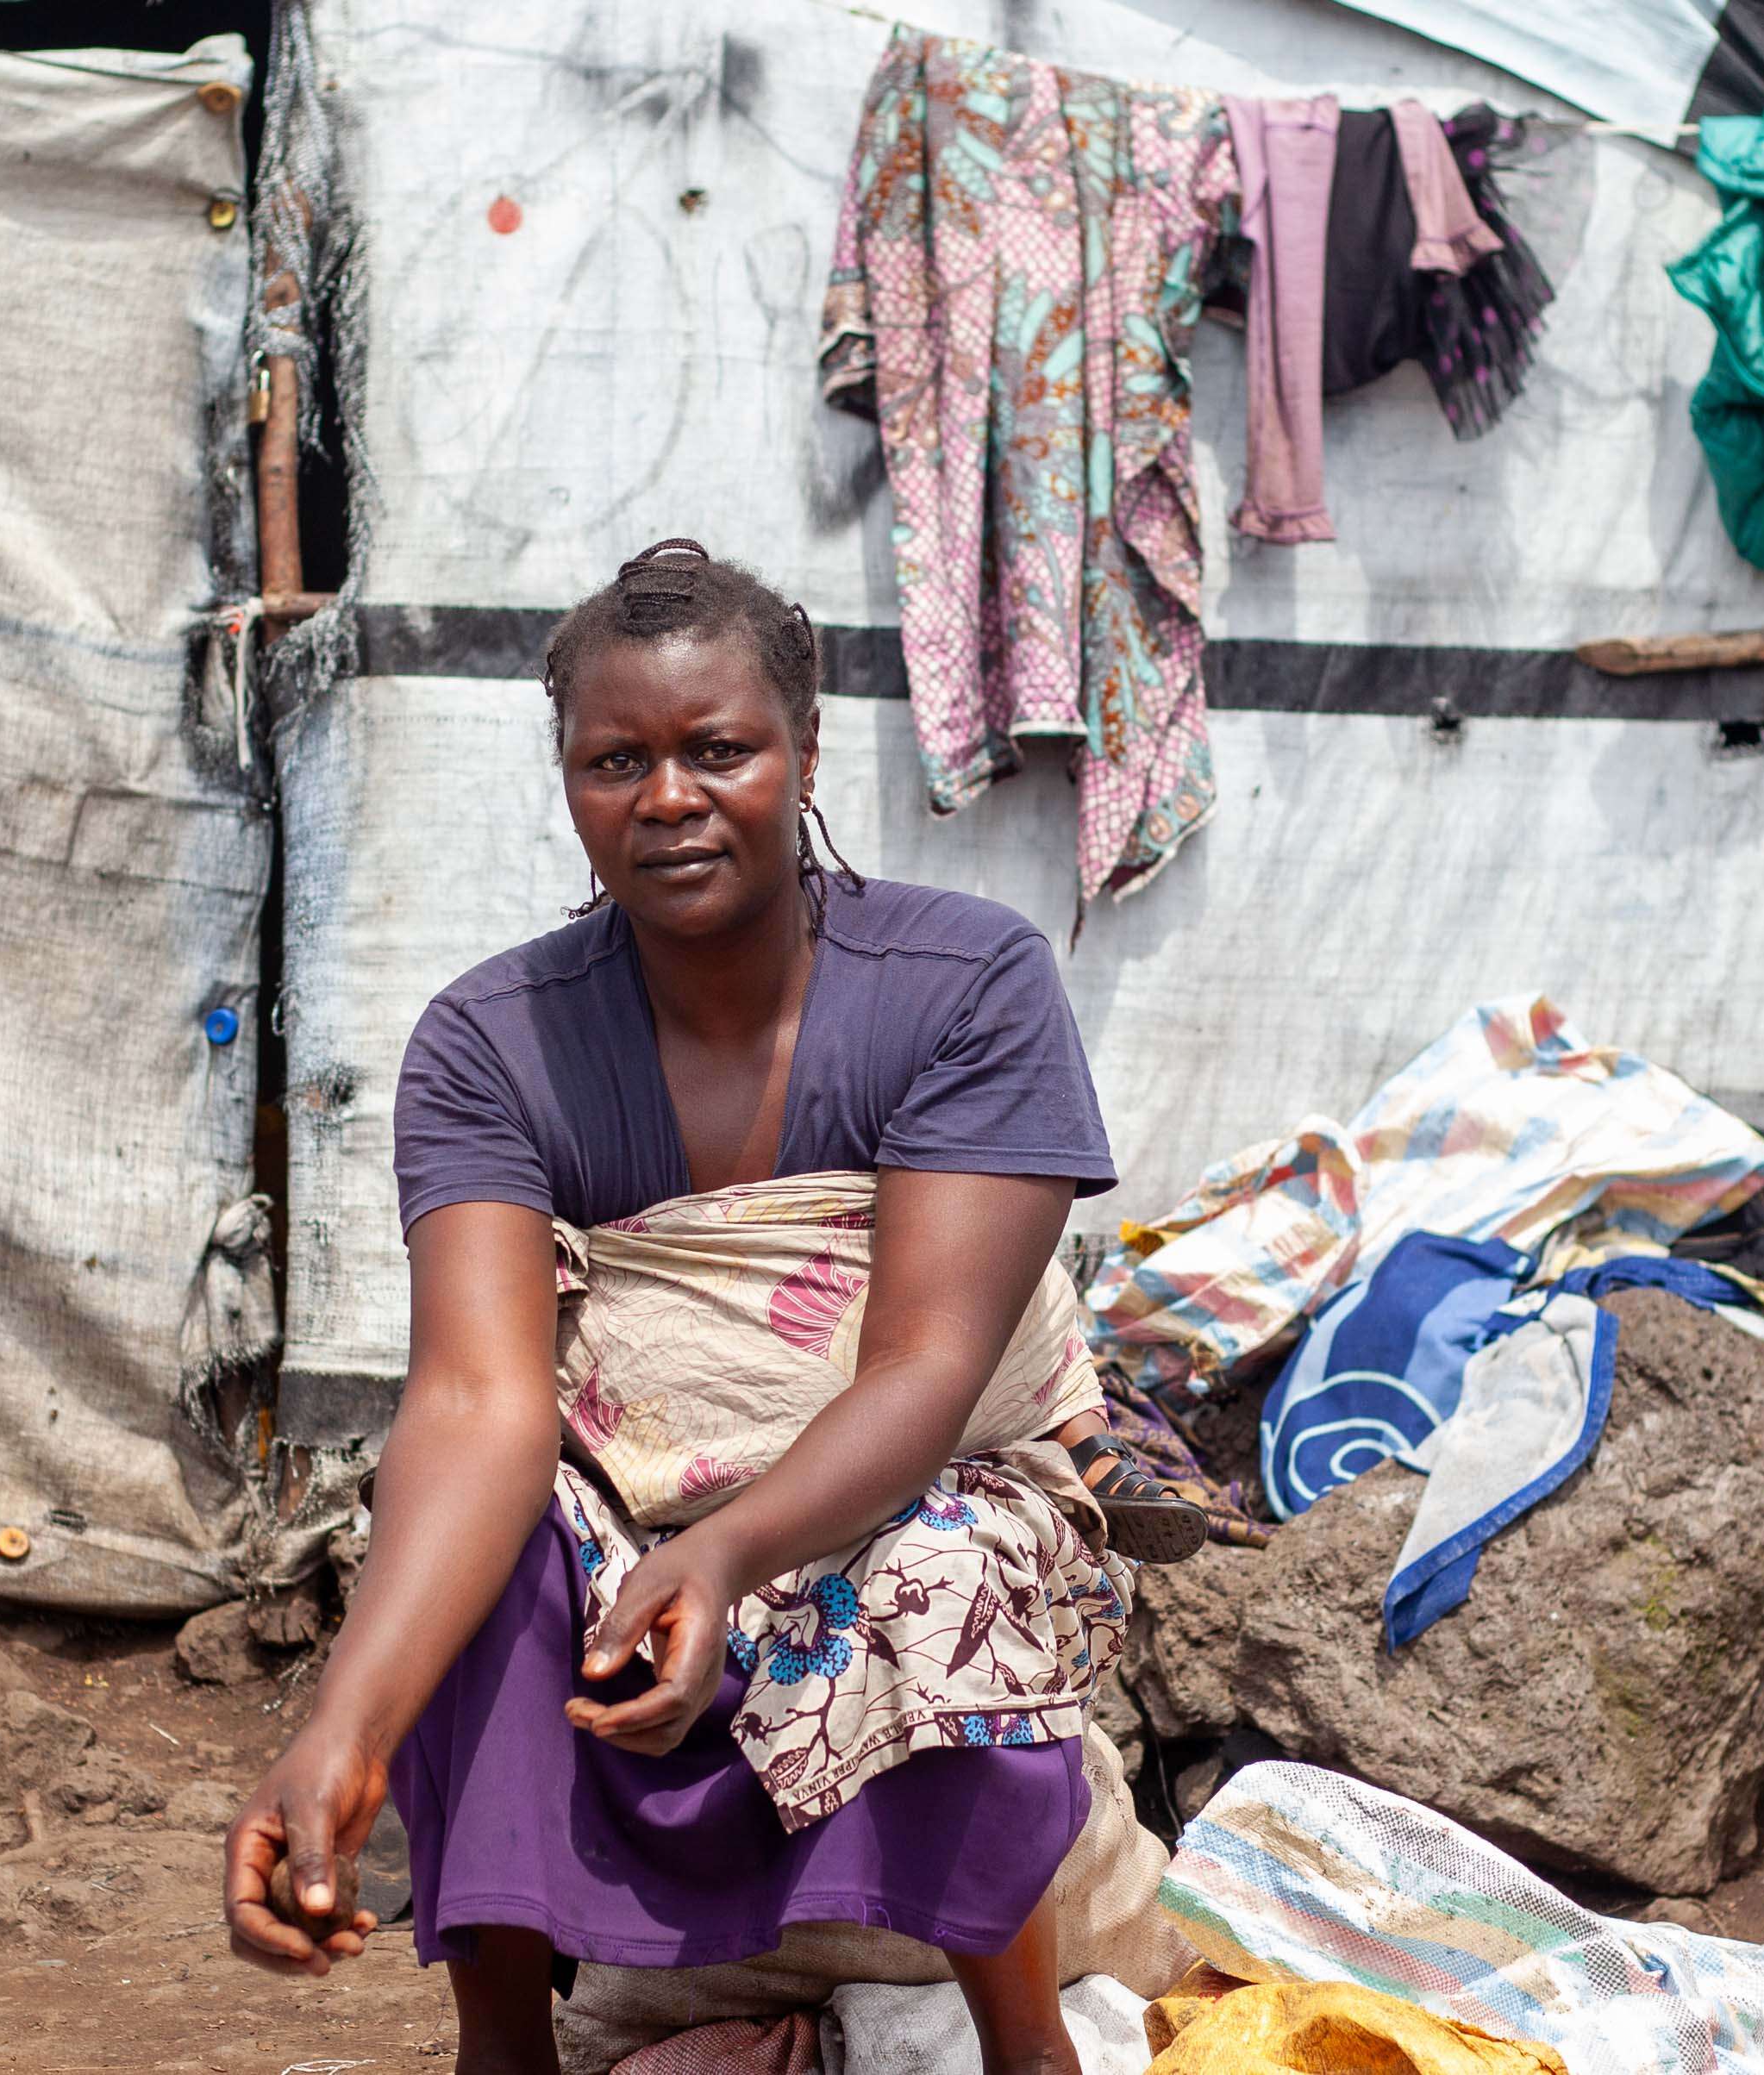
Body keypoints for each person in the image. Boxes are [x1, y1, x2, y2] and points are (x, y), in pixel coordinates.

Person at [217, 541, 1200, 2075]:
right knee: (491, 1550)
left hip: (895, 1484)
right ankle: (504, 2044)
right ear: (568, 782)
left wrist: (728, 1551)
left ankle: (1025, 2046)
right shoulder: (495, 1043)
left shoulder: (966, 987)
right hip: (636, 1509)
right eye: (617, 761)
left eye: (717, 750)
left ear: (801, 754)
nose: (667, 797)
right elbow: (481, 1404)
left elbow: (931, 1366)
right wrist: (343, 1728)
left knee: (947, 1556)